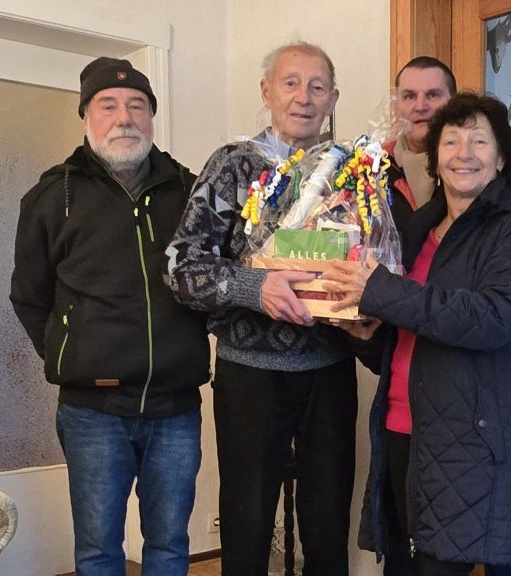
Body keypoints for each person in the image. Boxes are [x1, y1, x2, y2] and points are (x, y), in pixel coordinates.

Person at [350, 56, 511, 575]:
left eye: (479, 142)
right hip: (400, 420)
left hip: (467, 429)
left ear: (502, 159)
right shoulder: (417, 229)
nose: (463, 153)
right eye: (451, 142)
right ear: (435, 158)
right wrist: (362, 329)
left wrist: (382, 292)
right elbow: (403, 326)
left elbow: (496, 316)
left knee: (451, 559)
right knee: (405, 562)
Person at [10, 57, 210, 576]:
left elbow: (212, 279)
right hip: (92, 412)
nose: (125, 118)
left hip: (175, 408)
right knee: (99, 551)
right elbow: (28, 295)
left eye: (137, 106)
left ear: (151, 117)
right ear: (86, 117)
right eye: (108, 105)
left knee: (170, 545)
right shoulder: (53, 197)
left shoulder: (190, 193)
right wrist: (71, 348)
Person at [164, 42, 356, 576]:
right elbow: (182, 268)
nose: (304, 97)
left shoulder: (351, 170)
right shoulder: (232, 164)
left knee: (328, 529)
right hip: (250, 375)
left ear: (333, 98)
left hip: (331, 372)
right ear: (267, 91)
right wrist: (257, 287)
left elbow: (371, 258)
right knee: (247, 527)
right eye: (291, 83)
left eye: (318, 86)